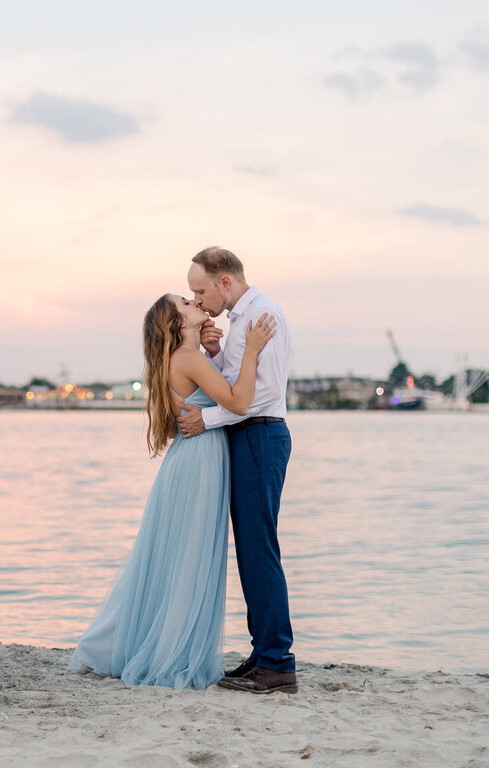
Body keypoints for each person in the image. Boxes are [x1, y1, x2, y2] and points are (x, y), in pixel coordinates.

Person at [68, 293, 277, 689]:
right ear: (174, 322)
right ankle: (162, 650)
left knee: (166, 558)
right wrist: (250, 351)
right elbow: (240, 400)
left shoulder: (182, 358)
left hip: (189, 460)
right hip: (199, 462)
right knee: (187, 558)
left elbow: (221, 394)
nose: (194, 300)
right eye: (184, 302)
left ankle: (111, 646)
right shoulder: (188, 357)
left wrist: (215, 349)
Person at [178, 246, 296, 695]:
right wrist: (212, 352)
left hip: (261, 435)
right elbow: (230, 388)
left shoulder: (262, 316)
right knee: (249, 550)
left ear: (224, 281)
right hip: (247, 435)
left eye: (201, 290)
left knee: (259, 548)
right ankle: (263, 651)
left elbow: (260, 397)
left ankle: (278, 662)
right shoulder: (238, 322)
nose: (199, 300)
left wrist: (204, 421)